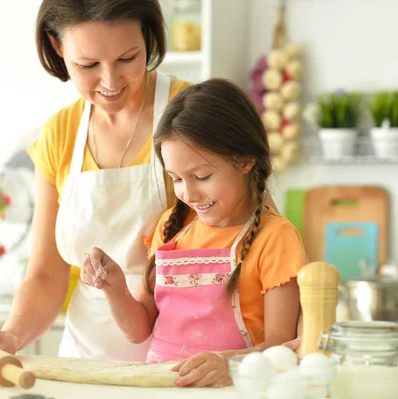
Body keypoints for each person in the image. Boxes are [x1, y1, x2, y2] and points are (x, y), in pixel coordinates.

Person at [0, 0, 195, 363]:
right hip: (83, 362)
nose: (110, 82)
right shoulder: (60, 133)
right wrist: (9, 337)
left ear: (148, 36)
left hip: (181, 359)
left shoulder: (192, 113)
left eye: (127, 58)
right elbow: (46, 276)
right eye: (88, 65)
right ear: (58, 47)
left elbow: (258, 236)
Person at [81, 79, 308, 387]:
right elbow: (138, 331)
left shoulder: (275, 238)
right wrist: (115, 288)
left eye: (201, 176)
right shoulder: (171, 228)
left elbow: (284, 347)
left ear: (244, 160)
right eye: (176, 179)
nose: (187, 194)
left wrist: (230, 365)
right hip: (160, 387)